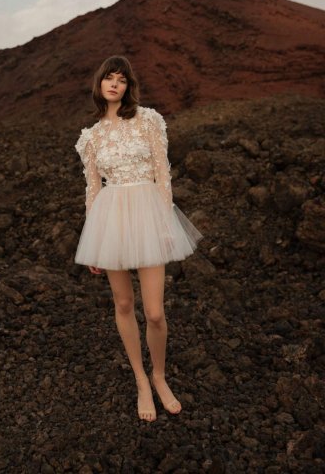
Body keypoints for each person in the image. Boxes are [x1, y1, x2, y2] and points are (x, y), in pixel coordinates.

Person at [74, 55, 203, 422]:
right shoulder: (91, 137)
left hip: (148, 213)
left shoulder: (148, 120)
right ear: (99, 85)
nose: (115, 84)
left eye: (122, 79)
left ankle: (160, 376)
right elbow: (93, 190)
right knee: (124, 304)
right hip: (110, 219)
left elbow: (164, 173)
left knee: (156, 312)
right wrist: (93, 240)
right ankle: (142, 381)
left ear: (129, 87)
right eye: (109, 78)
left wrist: (165, 224)